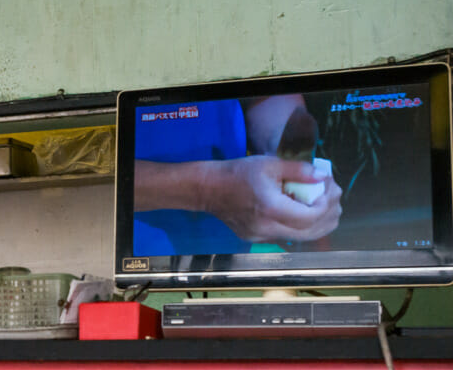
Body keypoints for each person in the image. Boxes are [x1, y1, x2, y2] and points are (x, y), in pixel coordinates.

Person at [132, 94, 343, 256]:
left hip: (227, 253)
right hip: (137, 251)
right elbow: (106, 176)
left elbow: (265, 90)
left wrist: (285, 151)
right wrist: (207, 190)